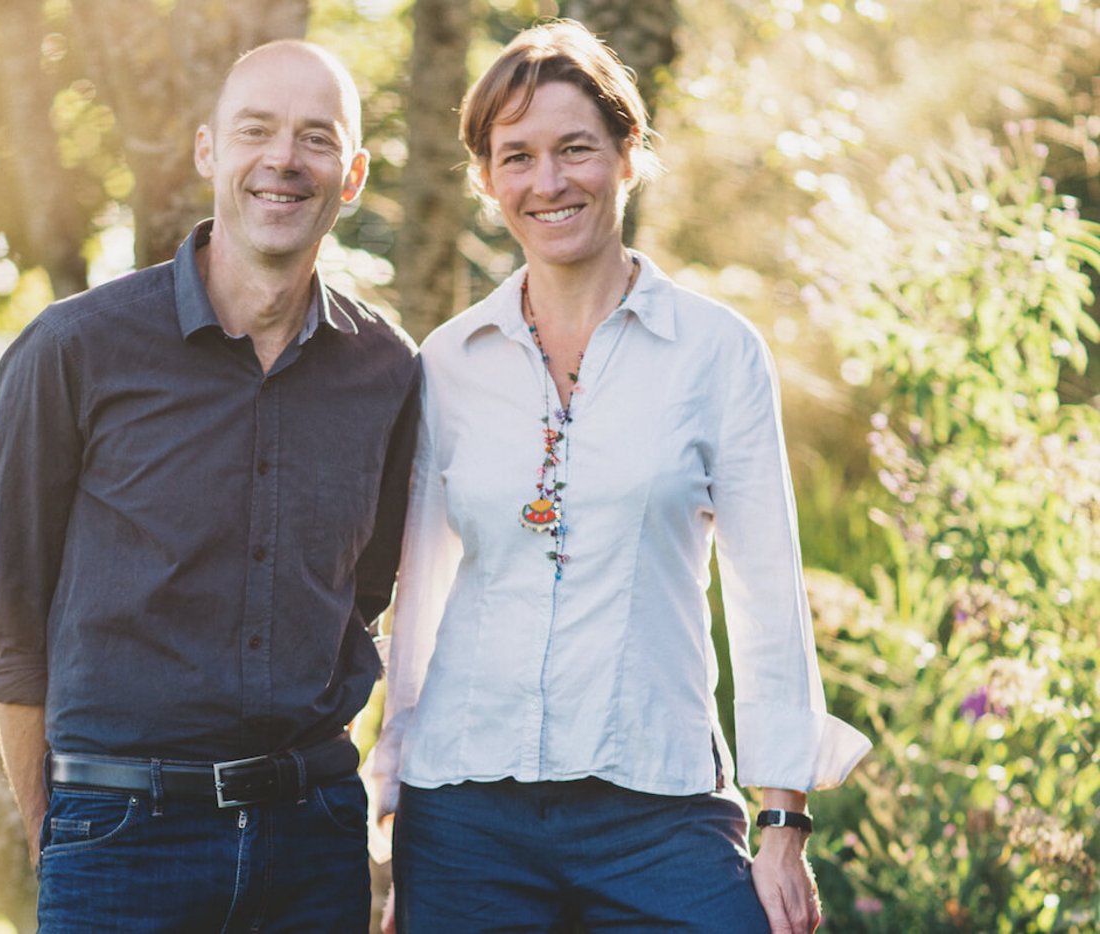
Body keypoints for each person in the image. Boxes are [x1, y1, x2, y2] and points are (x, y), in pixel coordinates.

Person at [370, 20, 870, 934]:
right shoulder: (447, 363)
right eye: (516, 156)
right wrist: (397, 803)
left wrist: (783, 822)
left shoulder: (717, 354)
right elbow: (422, 595)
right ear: (486, 179)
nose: (549, 182)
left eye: (575, 150)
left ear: (629, 154)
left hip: (659, 804)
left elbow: (768, 591)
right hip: (466, 812)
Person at [0, 39, 420, 932]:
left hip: (314, 843)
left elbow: (359, 596)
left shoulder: (388, 372)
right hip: (120, 841)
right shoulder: (75, 350)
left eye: (316, 138)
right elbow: (13, 629)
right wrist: (53, 835)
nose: (284, 160)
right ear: (208, 151)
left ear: (354, 173)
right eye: (255, 130)